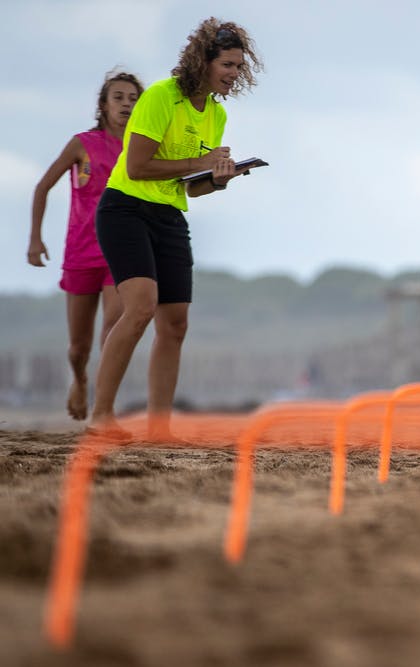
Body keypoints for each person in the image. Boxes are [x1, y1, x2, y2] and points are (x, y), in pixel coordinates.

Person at [88, 18, 262, 439]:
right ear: (202, 61)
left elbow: (195, 189)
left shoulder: (216, 115)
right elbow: (137, 166)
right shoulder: (162, 97)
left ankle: (159, 427)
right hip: (125, 209)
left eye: (239, 67)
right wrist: (199, 163)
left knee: (176, 322)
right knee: (142, 306)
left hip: (169, 214)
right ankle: (101, 416)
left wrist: (220, 178)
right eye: (227, 64)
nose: (234, 74)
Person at [28, 71, 144, 421]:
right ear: (104, 105)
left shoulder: (142, 148)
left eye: (133, 99)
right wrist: (35, 238)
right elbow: (42, 187)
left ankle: (103, 405)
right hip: (80, 251)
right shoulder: (82, 143)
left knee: (114, 322)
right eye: (119, 97)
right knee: (78, 347)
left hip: (119, 250)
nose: (126, 104)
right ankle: (79, 379)